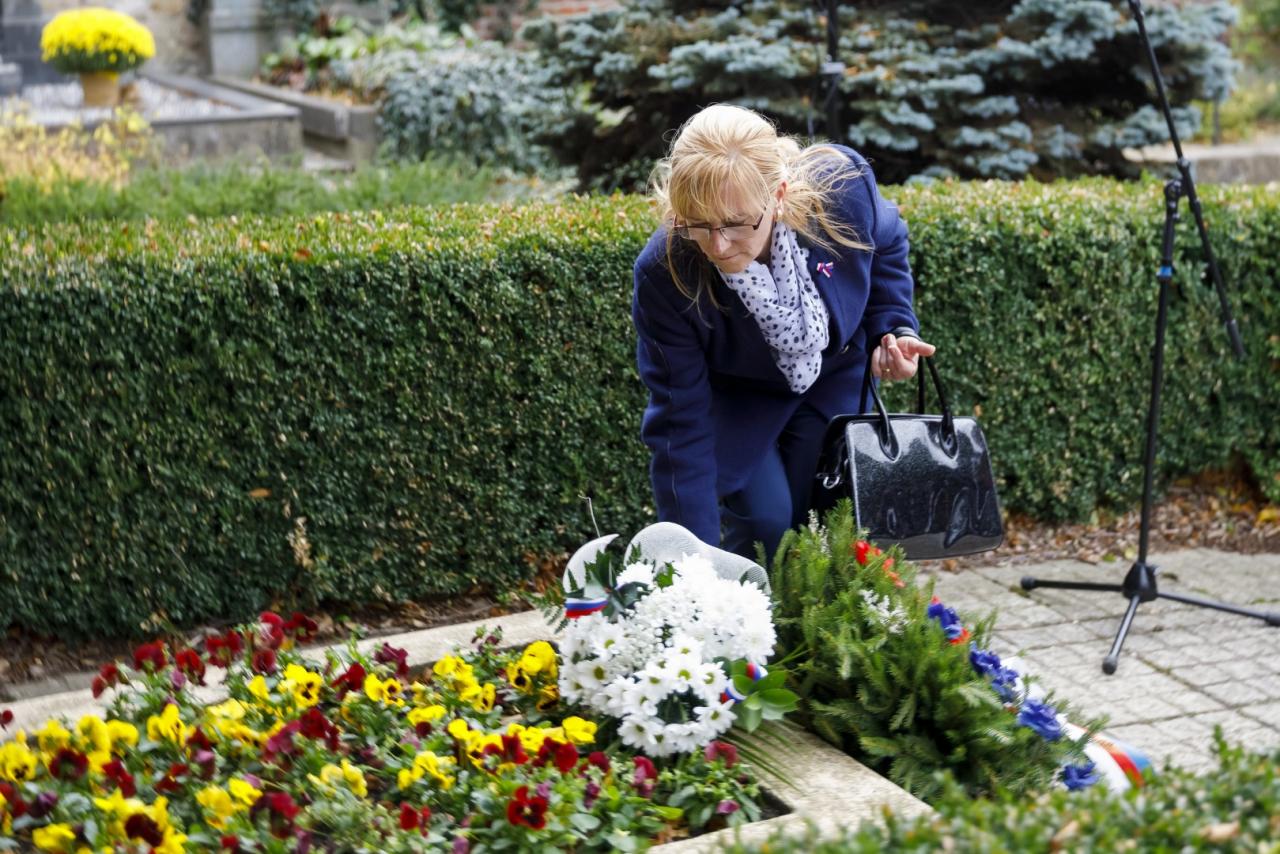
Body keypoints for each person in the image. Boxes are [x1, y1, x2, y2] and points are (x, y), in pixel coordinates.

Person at [632, 104, 936, 562]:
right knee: (766, 524)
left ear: (778, 194)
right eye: (698, 223)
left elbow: (887, 241)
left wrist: (891, 326)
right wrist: (692, 566)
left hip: (831, 375)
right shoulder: (665, 271)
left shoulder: (842, 189)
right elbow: (679, 425)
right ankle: (747, 605)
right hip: (738, 400)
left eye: (736, 223)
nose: (718, 245)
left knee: (828, 516)